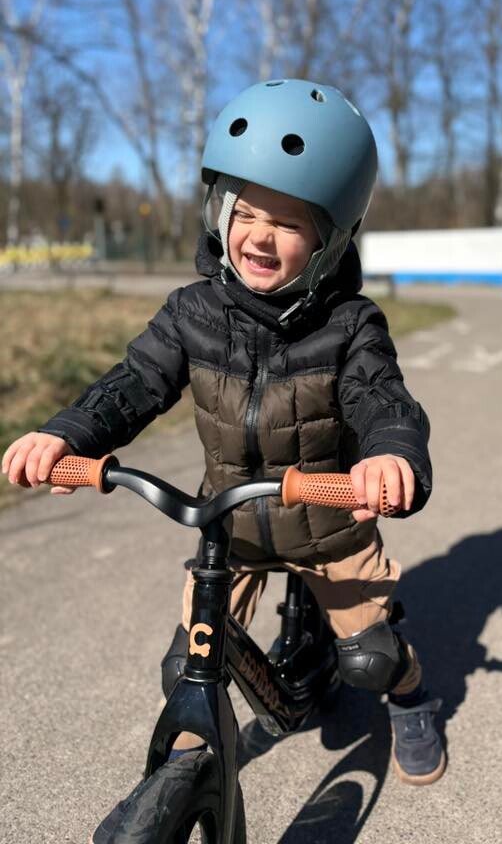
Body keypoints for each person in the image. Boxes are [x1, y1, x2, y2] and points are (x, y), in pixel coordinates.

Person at [1, 80, 445, 827]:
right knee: (187, 665)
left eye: (289, 222)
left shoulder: (350, 325)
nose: (259, 237)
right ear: (219, 212)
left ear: (334, 237)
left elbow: (383, 400)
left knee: (368, 656)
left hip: (326, 522)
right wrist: (67, 436)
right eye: (245, 212)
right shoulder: (192, 315)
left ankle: (414, 698)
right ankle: (181, 778)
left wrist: (390, 453)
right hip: (230, 528)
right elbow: (133, 384)